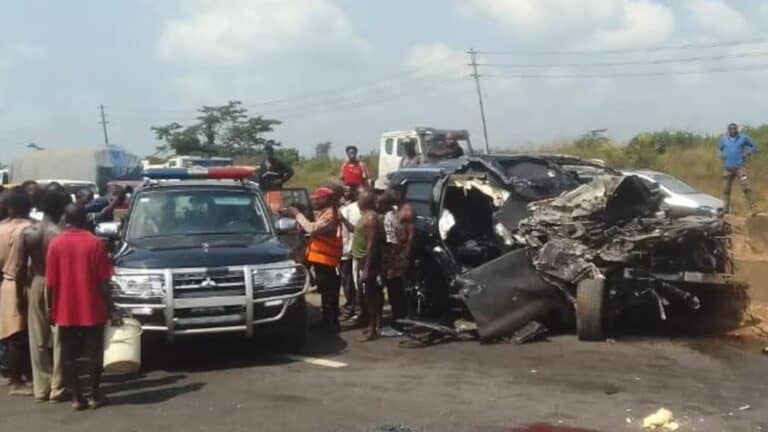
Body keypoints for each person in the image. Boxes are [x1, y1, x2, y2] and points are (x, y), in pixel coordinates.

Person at [46, 204, 118, 410]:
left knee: (68, 354)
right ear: (84, 219)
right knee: (94, 352)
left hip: (64, 307)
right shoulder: (95, 243)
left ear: (65, 220)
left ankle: (77, 397)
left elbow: (51, 283)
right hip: (92, 306)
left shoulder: (55, 244)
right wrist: (111, 307)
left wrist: (50, 309)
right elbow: (104, 281)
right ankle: (95, 395)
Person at [17, 189, 71, 402]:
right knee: (60, 337)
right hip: (58, 284)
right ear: (60, 209)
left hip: (36, 282)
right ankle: (58, 387)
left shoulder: (28, 233)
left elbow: (21, 267)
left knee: (37, 338)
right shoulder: (61, 234)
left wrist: (20, 293)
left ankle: (41, 387)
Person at [283, 187, 342, 332]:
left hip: (327, 259)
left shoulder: (331, 214)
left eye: (318, 199)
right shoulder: (325, 213)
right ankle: (327, 320)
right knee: (325, 292)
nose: (315, 201)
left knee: (329, 293)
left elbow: (312, 228)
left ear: (326, 199)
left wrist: (297, 214)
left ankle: (331, 323)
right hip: (321, 258)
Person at [0, 187, 33, 395]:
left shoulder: (1, 229)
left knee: (12, 334)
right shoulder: (31, 228)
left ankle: (17, 377)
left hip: (6, 283)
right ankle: (19, 380)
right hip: (26, 284)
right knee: (22, 335)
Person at [381, 192, 415, 334]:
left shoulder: (391, 216)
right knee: (400, 290)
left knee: (395, 291)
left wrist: (390, 260)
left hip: (394, 259)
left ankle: (398, 324)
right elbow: (410, 236)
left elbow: (392, 243)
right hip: (402, 257)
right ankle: (403, 320)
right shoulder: (401, 213)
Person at [352, 191, 383, 341]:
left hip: (368, 262)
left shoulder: (371, 218)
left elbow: (371, 245)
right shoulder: (364, 216)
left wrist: (367, 268)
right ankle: (374, 325)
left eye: (360, 199)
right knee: (369, 294)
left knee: (370, 296)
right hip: (362, 261)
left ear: (366, 201)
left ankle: (372, 329)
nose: (357, 202)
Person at [719, 123, 758, 214]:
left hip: (740, 168)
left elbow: (754, 146)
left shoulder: (743, 138)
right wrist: (721, 155)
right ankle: (725, 210)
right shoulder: (724, 139)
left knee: (746, 187)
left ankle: (753, 208)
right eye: (731, 129)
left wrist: (747, 153)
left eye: (734, 129)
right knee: (726, 190)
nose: (732, 130)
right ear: (728, 130)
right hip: (728, 169)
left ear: (737, 129)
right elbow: (718, 148)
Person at [339, 187, 363, 320]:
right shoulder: (348, 210)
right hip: (349, 251)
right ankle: (353, 306)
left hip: (355, 251)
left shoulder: (348, 210)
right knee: (350, 281)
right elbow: (344, 233)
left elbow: (347, 231)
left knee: (355, 281)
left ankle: (356, 308)